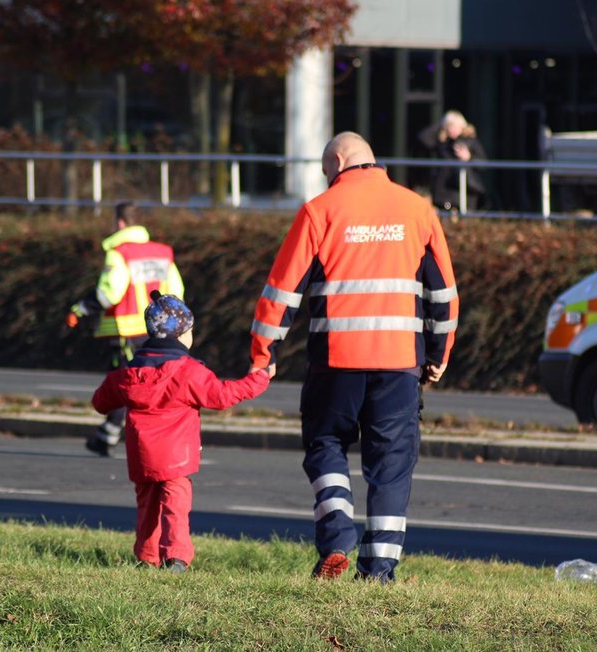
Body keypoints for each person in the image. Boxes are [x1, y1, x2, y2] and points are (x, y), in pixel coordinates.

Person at [249, 132, 459, 582]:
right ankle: (379, 570)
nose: (328, 180)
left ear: (339, 161)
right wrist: (439, 354)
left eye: (328, 172)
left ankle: (337, 537)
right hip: (400, 363)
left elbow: (281, 293)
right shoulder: (417, 210)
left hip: (335, 362)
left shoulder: (320, 211)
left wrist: (263, 353)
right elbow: (443, 295)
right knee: (391, 464)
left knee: (325, 444)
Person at [92, 291, 272, 572]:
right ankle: (176, 556)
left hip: (141, 456)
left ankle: (146, 556)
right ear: (181, 335)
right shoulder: (189, 372)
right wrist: (258, 379)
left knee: (147, 505)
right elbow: (223, 396)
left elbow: (101, 401)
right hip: (175, 457)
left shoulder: (129, 373)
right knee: (175, 504)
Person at [67, 202, 185, 456]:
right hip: (158, 332)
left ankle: (117, 438)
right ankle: (109, 436)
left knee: (127, 385)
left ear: (120, 223)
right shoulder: (163, 253)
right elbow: (177, 292)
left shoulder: (119, 253)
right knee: (151, 386)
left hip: (127, 333)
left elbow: (110, 294)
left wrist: (81, 309)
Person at [418, 110, 488, 214]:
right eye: (449, 126)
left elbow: (483, 164)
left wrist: (469, 158)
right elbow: (424, 137)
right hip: (443, 191)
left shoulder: (471, 142)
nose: (452, 129)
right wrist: (441, 123)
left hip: (464, 191)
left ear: (462, 126)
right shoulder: (442, 143)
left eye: (456, 126)